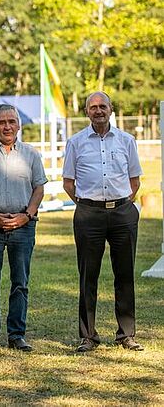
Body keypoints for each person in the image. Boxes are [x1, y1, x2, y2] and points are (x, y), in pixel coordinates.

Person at [63, 92, 143, 353]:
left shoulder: (126, 141)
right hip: (89, 214)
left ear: (111, 109)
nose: (98, 111)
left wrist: (122, 204)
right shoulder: (76, 143)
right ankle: (88, 336)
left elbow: (135, 180)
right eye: (93, 107)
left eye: (103, 106)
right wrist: (89, 205)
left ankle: (126, 335)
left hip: (122, 213)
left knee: (125, 274)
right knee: (88, 276)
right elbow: (68, 183)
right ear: (87, 112)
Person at [0, 104, 47, 352]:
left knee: (20, 282)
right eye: (1, 122)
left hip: (23, 226)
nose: (7, 126)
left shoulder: (31, 154)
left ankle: (17, 334)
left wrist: (26, 216)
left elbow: (39, 188)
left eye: (11, 121)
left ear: (18, 125)